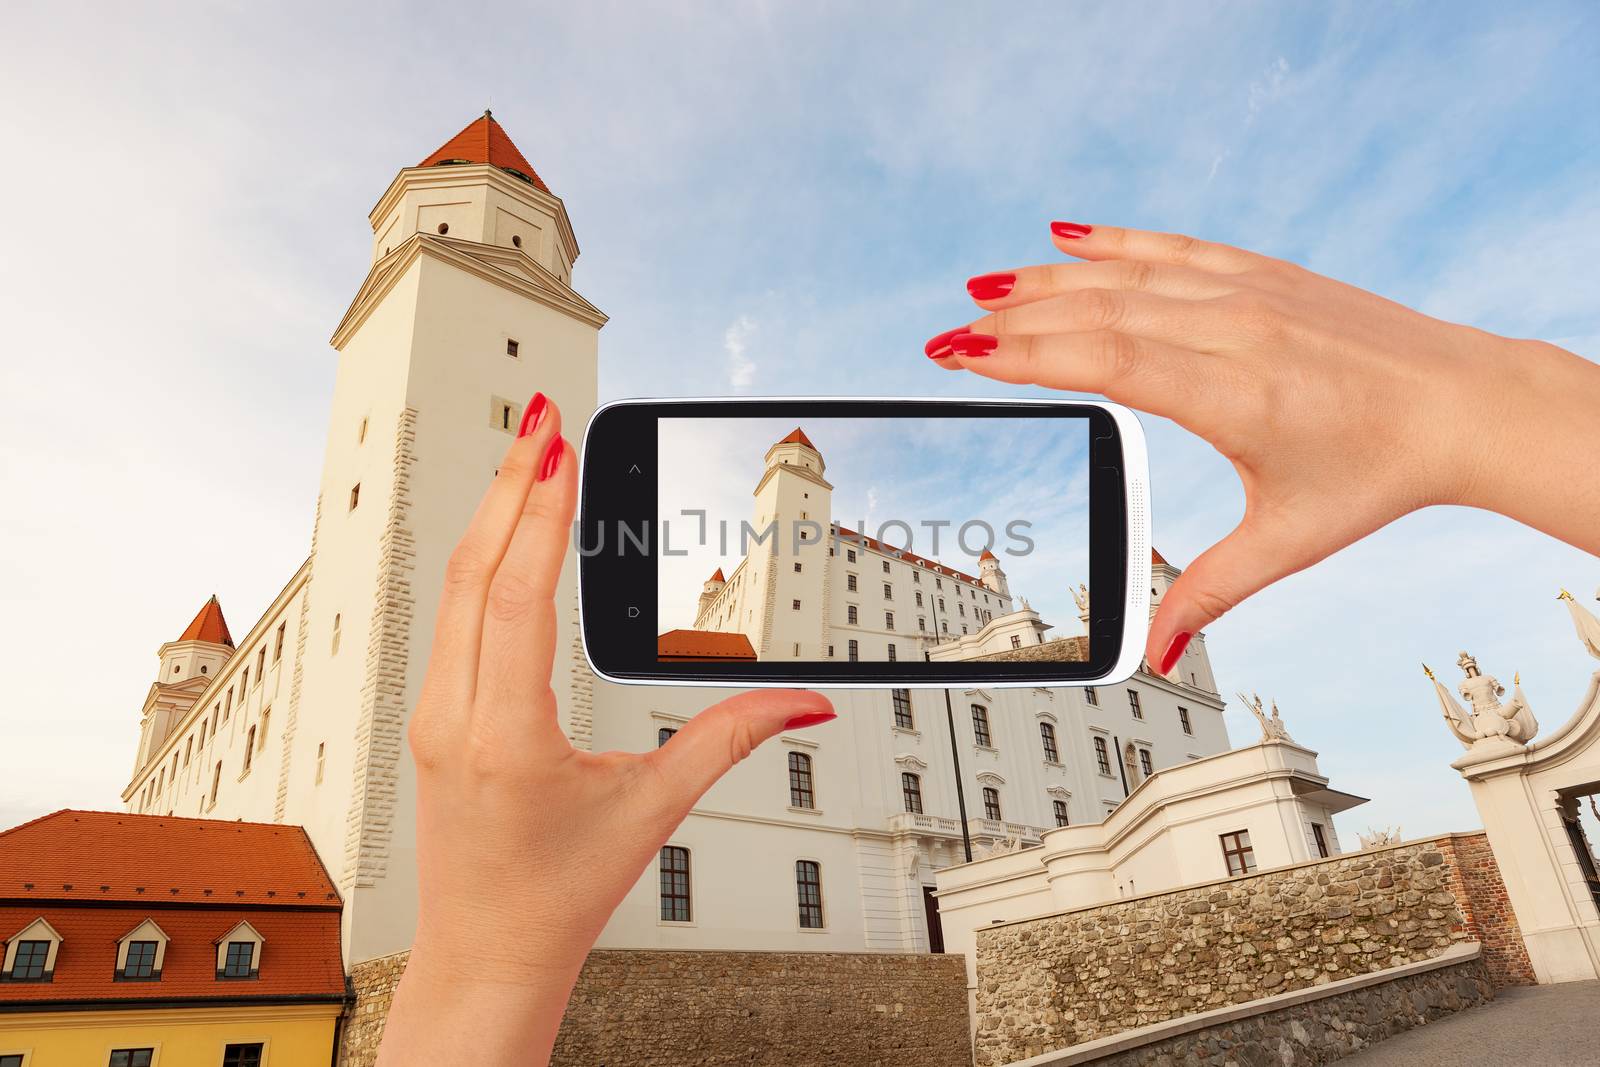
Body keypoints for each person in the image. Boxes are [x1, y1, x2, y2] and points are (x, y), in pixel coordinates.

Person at [377, 224, 1600, 1065]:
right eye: (793, 483)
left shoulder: (955, 612)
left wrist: (478, 977)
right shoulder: (785, 581)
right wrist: (1502, 406)